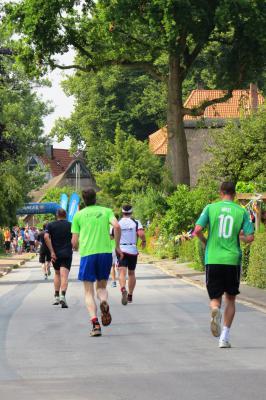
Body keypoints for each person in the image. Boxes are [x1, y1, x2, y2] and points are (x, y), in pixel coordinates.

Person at [194, 182, 254, 348]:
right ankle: (224, 338)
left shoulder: (210, 208)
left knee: (215, 297)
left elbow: (197, 229)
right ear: (234, 194)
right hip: (232, 260)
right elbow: (250, 237)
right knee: (231, 298)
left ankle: (215, 310)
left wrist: (206, 242)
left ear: (221, 193)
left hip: (213, 258)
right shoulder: (241, 211)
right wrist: (238, 236)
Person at [71, 188, 122, 337]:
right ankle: (104, 301)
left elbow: (74, 242)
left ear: (84, 200)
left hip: (88, 254)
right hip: (105, 253)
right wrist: (117, 246)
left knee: (88, 292)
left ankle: (95, 324)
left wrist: (76, 245)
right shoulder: (106, 211)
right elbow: (117, 226)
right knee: (101, 287)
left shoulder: (78, 215)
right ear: (95, 198)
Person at [117, 205, 146, 306]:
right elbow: (141, 234)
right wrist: (144, 241)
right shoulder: (136, 222)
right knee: (131, 273)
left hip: (121, 250)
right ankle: (130, 295)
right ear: (131, 212)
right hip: (132, 250)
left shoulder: (117, 223)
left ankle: (123, 289)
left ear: (122, 212)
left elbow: (111, 236)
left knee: (122, 272)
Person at [44, 209, 72, 308]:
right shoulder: (70, 225)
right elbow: (75, 238)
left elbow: (46, 237)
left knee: (57, 273)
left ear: (57, 215)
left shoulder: (50, 225)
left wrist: (51, 251)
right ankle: (63, 296)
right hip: (67, 253)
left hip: (55, 254)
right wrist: (73, 246)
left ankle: (56, 296)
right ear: (65, 215)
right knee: (64, 275)